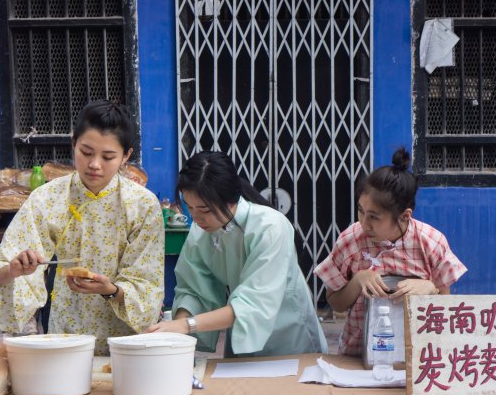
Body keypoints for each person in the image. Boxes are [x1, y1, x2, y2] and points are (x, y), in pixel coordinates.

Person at [0, 100, 165, 355]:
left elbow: (147, 285)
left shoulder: (143, 205)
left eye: (108, 157)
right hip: (65, 333)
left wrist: (110, 290)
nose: (94, 164)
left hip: (127, 344)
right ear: (73, 143)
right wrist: (14, 269)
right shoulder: (47, 197)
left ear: (126, 156)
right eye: (86, 152)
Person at [146, 151, 327, 358]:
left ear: (231, 201)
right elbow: (193, 289)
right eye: (190, 207)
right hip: (239, 329)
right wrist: (175, 328)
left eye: (204, 210)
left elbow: (254, 302)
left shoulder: (269, 227)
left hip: (289, 335)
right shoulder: (200, 232)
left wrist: (187, 325)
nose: (196, 218)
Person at [314, 147, 467, 356]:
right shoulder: (350, 240)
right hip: (356, 355)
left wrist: (431, 288)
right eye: (360, 211)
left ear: (404, 216)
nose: (364, 224)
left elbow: (446, 309)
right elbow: (335, 303)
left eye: (374, 217)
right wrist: (358, 280)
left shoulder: (431, 242)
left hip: (418, 358)